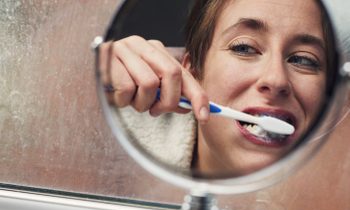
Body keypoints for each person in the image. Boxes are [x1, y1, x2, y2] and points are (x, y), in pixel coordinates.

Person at [99, 0, 332, 177]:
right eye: (244, 48)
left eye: (303, 60)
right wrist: (84, 83)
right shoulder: (112, 156)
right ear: (193, 73)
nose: (276, 80)